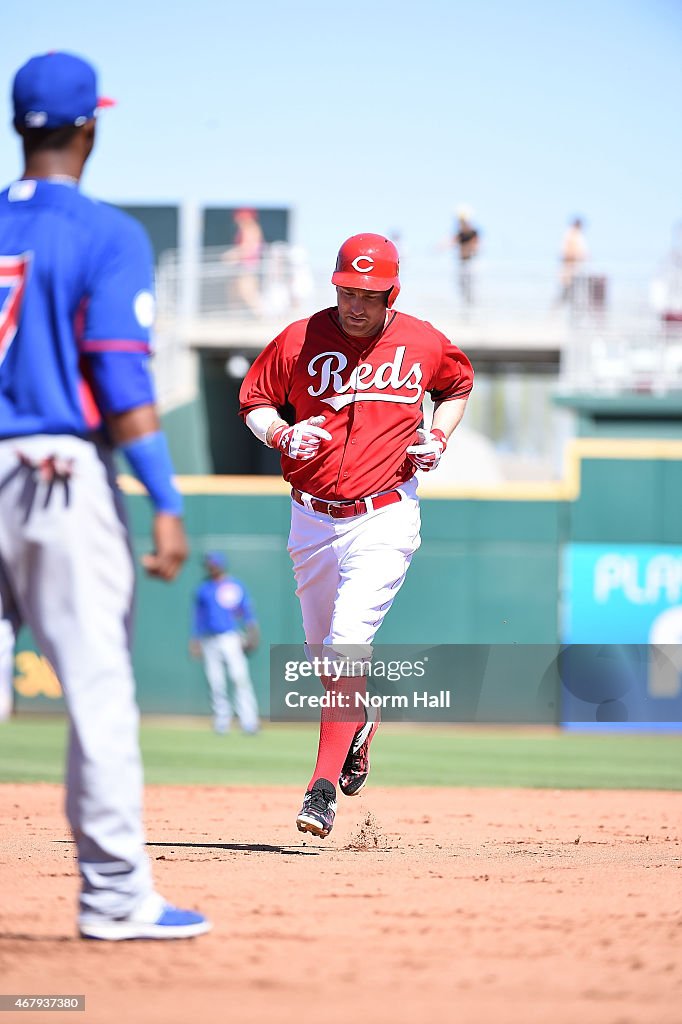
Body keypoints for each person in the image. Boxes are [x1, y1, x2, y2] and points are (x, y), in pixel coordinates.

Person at [0, 52, 210, 940]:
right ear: (90, 126)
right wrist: (164, 498)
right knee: (96, 683)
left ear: (19, 126)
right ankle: (116, 899)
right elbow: (122, 384)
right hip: (52, 470)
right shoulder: (104, 232)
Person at [239, 233, 473, 838]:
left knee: (347, 642)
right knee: (327, 660)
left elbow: (457, 386)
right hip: (311, 518)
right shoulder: (299, 337)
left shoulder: (422, 341)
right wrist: (279, 435)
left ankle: (320, 788)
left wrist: (438, 436)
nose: (355, 304)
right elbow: (255, 402)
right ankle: (359, 725)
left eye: (369, 294)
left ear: (391, 292)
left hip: (385, 514)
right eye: (347, 290)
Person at [189, 551, 260, 734]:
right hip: (208, 639)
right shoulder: (204, 587)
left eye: (214, 564)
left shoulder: (234, 586)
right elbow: (198, 616)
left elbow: (247, 612)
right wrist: (195, 639)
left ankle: (249, 721)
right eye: (209, 564)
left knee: (239, 678)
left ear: (221, 565)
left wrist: (252, 633)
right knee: (215, 681)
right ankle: (222, 721)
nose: (211, 567)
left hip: (231, 637)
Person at [222, 207, 264, 315]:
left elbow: (248, 249)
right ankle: (235, 316)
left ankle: (262, 315)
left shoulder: (250, 229)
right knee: (235, 291)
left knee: (248, 292)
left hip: (248, 266)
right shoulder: (246, 229)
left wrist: (232, 255)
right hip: (243, 266)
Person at [453, 205, 480, 306]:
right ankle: (465, 304)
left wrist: (467, 249)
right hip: (462, 262)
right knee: (462, 285)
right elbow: (451, 241)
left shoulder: (472, 232)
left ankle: (471, 305)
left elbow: (475, 246)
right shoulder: (460, 233)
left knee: (471, 286)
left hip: (470, 262)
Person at [558, 216, 588, 306]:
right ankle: (555, 314)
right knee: (566, 293)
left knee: (574, 294)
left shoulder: (578, 235)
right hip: (570, 269)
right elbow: (565, 252)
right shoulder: (570, 234)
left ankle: (569, 313)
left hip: (577, 270)